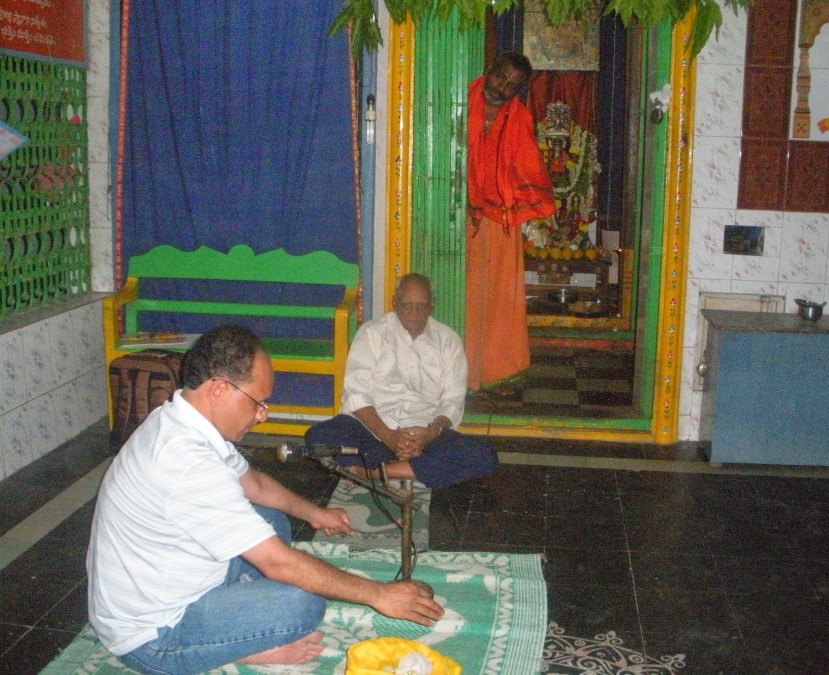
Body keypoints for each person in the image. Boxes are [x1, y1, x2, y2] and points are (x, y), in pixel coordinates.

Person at [87, 325, 443, 674]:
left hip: (169, 583)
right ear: (219, 389)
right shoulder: (188, 463)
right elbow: (278, 564)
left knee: (271, 519)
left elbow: (254, 484)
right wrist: (379, 594)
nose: (263, 414)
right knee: (301, 602)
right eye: (258, 402)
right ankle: (243, 649)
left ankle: (236, 620)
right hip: (155, 636)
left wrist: (316, 514)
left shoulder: (182, 420)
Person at [305, 273, 498, 488]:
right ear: (395, 302)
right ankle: (413, 468)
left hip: (424, 436)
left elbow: (453, 400)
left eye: (421, 305)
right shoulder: (372, 333)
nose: (414, 312)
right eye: (407, 305)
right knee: (318, 437)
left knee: (484, 455)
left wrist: (430, 433)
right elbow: (356, 393)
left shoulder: (448, 340)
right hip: (374, 430)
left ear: (432, 304)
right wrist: (389, 437)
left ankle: (372, 472)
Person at [466, 52, 556, 392]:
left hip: (500, 220)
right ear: (488, 70)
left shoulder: (519, 118)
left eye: (511, 85)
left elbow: (528, 168)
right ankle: (459, 371)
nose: (501, 87)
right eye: (499, 76)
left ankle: (495, 370)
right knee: (463, 293)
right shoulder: (461, 100)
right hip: (457, 215)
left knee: (500, 297)